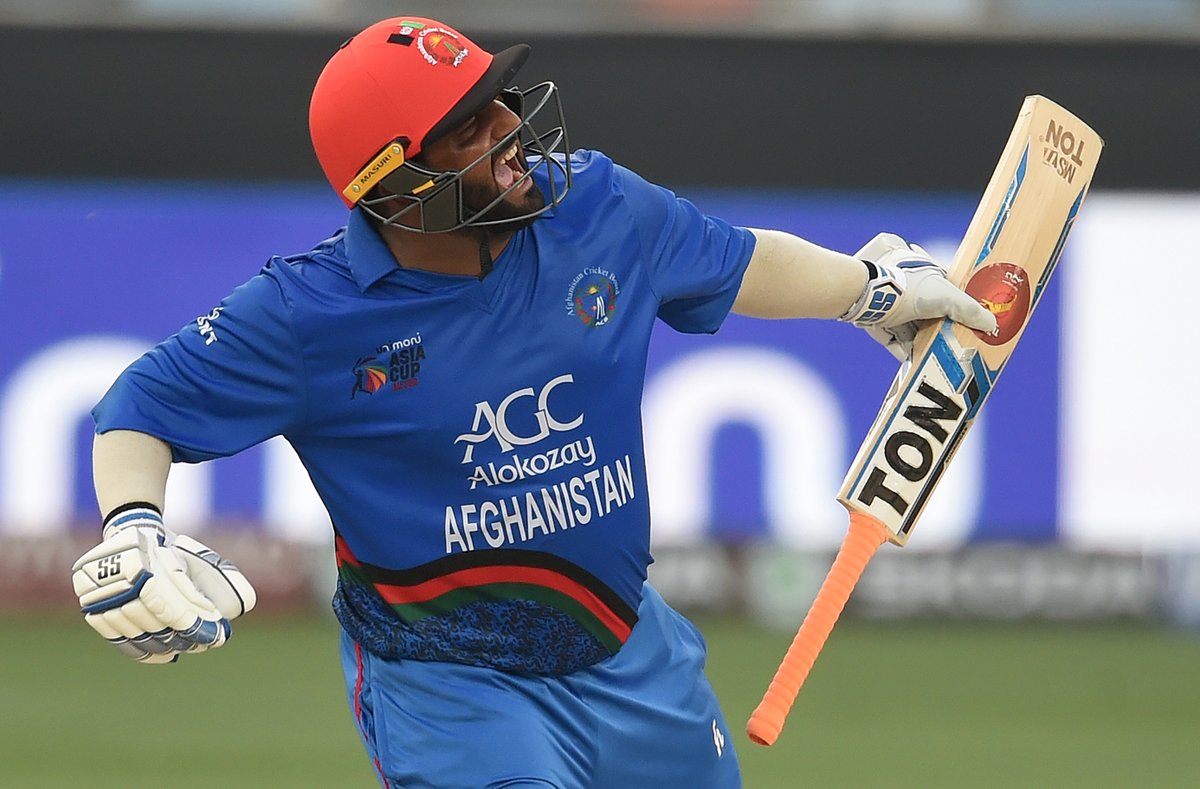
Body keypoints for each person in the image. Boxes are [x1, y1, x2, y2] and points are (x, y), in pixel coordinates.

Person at [70, 15, 997, 788]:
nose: (508, 129)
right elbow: (140, 405)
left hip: (630, 649)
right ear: (395, 185)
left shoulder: (596, 204)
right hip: (451, 687)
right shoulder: (304, 315)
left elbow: (741, 259)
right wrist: (133, 525)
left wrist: (871, 289)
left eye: (498, 100)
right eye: (467, 128)